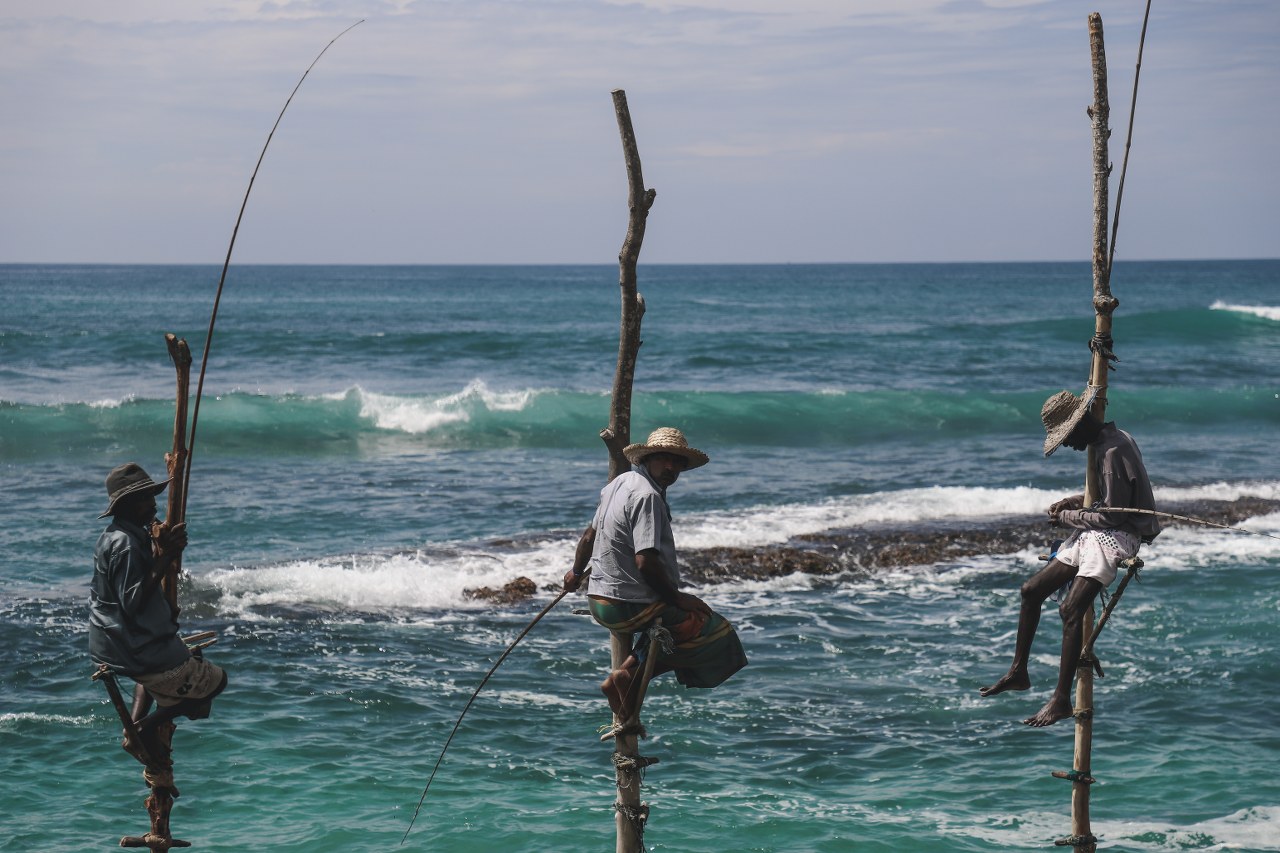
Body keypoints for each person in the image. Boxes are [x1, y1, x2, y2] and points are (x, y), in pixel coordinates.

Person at [980, 390, 1160, 727]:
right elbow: (1108, 496)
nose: (1067, 446)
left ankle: (1061, 699)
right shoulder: (1106, 443)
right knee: (1031, 590)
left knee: (1070, 609)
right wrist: (1074, 501)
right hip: (1098, 528)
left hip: (1119, 535)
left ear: (1078, 425)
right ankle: (1019, 670)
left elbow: (1114, 516)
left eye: (1066, 439)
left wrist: (1067, 519)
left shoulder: (1112, 450)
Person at [563, 427, 747, 721]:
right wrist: (679, 598)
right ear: (648, 459)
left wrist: (574, 573)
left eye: (678, 462)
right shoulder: (648, 496)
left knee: (670, 625)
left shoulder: (619, 483)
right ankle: (630, 675)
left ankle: (627, 678)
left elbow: (588, 537)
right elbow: (645, 563)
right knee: (711, 627)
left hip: (598, 600)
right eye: (664, 459)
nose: (671, 467)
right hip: (624, 607)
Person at [90, 462, 227, 764]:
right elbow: (133, 601)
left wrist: (158, 550)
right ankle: (142, 727)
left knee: (153, 676)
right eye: (145, 498)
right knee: (217, 682)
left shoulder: (117, 535)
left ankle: (136, 730)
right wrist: (166, 557)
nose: (153, 504)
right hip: (128, 646)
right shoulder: (124, 544)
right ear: (126, 505)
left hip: (113, 641)